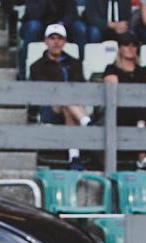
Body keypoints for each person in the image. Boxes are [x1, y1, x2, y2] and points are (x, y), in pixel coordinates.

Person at [28, 23, 93, 170]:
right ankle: (87, 123)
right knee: (65, 98)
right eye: (52, 38)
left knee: (68, 104)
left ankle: (74, 156)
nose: (56, 42)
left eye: (59, 38)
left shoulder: (75, 63)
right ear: (46, 41)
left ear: (65, 41)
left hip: (73, 106)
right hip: (50, 108)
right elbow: (44, 92)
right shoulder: (36, 66)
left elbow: (80, 85)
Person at [100, 32, 146, 171]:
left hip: (143, 111)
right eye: (126, 45)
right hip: (120, 110)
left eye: (133, 45)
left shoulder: (144, 70)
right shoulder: (111, 68)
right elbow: (114, 92)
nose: (130, 48)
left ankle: (142, 151)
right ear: (120, 48)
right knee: (138, 104)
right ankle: (142, 157)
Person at [20, 0, 90, 52]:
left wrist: (61, 23)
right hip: (40, 25)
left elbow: (72, 14)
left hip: (63, 26)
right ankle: (24, 69)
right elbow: (34, 15)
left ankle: (81, 65)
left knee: (79, 27)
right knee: (33, 27)